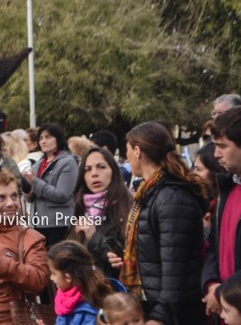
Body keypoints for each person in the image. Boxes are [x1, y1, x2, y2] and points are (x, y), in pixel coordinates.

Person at [109, 121, 207, 325]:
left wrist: (161, 316)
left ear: (137, 151)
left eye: (127, 150)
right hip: (155, 304)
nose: (126, 158)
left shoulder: (171, 197)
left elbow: (176, 265)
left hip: (175, 313)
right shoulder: (149, 192)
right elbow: (156, 251)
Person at [0, 169, 49, 325]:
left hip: (13, 320)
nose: (11, 203)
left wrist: (1, 264)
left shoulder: (31, 238)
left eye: (14, 196)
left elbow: (39, 282)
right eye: (1, 197)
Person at [68, 146, 132, 279]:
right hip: (85, 290)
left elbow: (122, 256)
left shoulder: (127, 207)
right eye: (88, 169)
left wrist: (95, 236)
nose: (94, 174)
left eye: (101, 167)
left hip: (113, 291)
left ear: (113, 171)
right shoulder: (79, 207)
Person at [202, 106, 241, 318]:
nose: (216, 154)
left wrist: (221, 292)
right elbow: (215, 247)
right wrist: (211, 284)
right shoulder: (226, 189)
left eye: (222, 146)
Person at [21, 122, 79, 247]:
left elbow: (62, 195)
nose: (43, 141)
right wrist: (26, 188)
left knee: (57, 262)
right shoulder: (38, 163)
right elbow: (31, 198)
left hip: (58, 223)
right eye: (40, 138)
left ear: (58, 138)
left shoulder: (68, 162)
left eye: (48, 137)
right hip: (38, 223)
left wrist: (35, 181)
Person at [45, 240, 114, 325]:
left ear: (68, 277)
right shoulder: (64, 301)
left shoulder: (89, 314)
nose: (51, 278)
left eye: (53, 273)